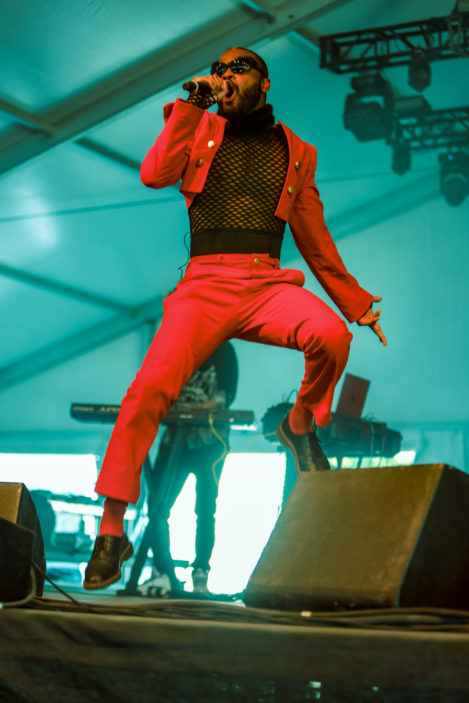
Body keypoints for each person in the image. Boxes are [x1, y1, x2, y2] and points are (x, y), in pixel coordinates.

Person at [83, 46, 386, 591]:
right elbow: (154, 174)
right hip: (204, 284)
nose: (225, 75)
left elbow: (314, 239)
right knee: (147, 391)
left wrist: (356, 301)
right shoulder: (195, 126)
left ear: (264, 83)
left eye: (238, 68)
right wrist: (191, 106)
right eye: (218, 68)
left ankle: (299, 425)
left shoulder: (298, 151)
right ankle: (111, 527)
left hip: (267, 282)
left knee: (332, 336)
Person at [134, 342, 238, 594]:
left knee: (205, 509)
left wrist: (189, 410)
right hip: (175, 439)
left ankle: (200, 572)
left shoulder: (223, 349)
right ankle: (163, 571)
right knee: (157, 506)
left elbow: (224, 397)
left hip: (209, 441)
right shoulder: (176, 348)